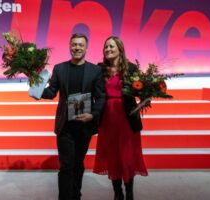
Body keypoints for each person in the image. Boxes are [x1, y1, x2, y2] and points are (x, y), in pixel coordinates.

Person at [39, 33, 105, 200]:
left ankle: (76, 195)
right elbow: (51, 92)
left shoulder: (95, 70)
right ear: (69, 46)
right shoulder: (60, 68)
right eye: (74, 44)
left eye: (80, 45)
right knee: (66, 166)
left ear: (86, 48)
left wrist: (93, 115)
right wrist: (37, 89)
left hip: (84, 126)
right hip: (65, 126)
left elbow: (101, 96)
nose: (77, 47)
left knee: (78, 164)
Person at [93, 36, 148, 200]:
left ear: (120, 49)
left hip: (127, 119)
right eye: (106, 47)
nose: (108, 49)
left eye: (111, 46)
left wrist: (145, 99)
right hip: (107, 119)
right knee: (112, 156)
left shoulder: (131, 68)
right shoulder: (99, 69)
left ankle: (129, 193)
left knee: (128, 156)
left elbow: (141, 91)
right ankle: (118, 193)